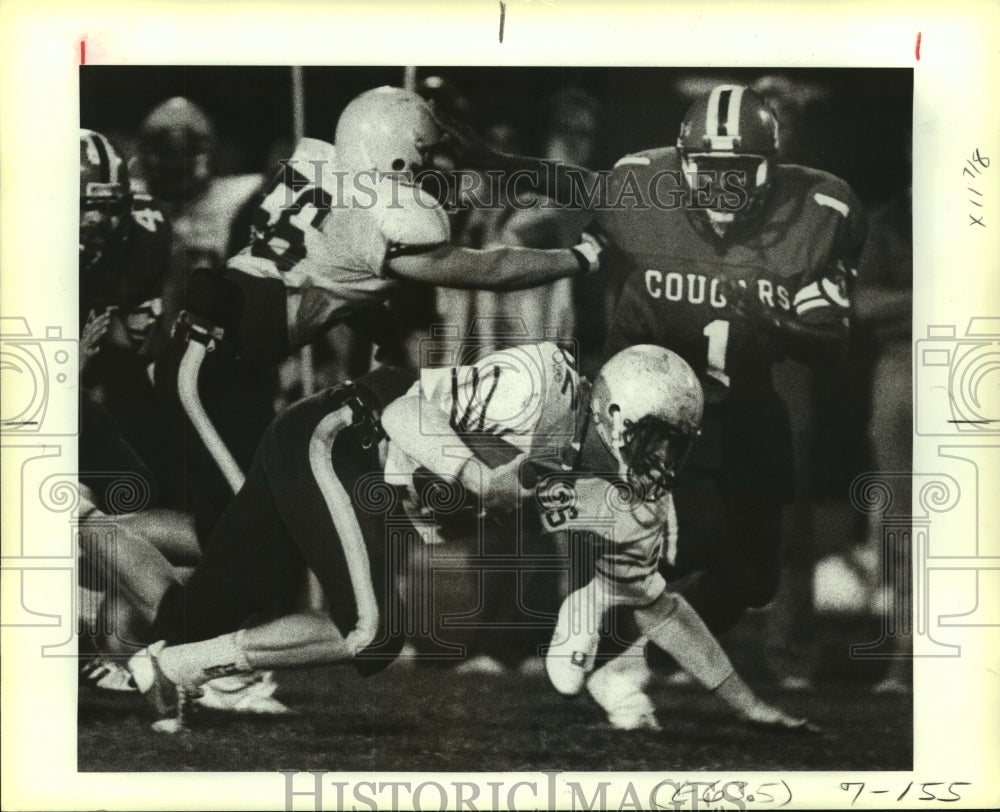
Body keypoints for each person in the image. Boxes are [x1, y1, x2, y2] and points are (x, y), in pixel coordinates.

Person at [152, 85, 605, 536]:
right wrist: (580, 256)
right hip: (211, 366)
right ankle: (101, 535)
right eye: (424, 157)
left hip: (227, 361)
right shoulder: (380, 217)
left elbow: (325, 274)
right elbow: (489, 268)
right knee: (248, 534)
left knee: (253, 530)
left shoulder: (318, 171)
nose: (431, 170)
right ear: (396, 154)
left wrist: (381, 332)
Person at [582, 84, 866, 724]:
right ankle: (596, 625)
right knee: (696, 535)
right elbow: (562, 202)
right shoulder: (645, 197)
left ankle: (634, 657)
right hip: (666, 404)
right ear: (682, 166)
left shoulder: (817, 211)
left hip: (747, 403)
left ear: (769, 170)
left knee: (754, 579)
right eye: (709, 170)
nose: (722, 186)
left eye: (738, 171)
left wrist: (780, 328)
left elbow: (831, 344)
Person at [381, 342, 811, 732]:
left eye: (675, 445)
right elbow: (401, 411)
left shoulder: (629, 499)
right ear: (614, 415)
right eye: (656, 438)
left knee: (372, 641)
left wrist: (748, 705)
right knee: (371, 637)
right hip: (366, 458)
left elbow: (656, 607)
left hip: (427, 513)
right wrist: (477, 476)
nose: (663, 458)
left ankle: (589, 614)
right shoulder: (539, 386)